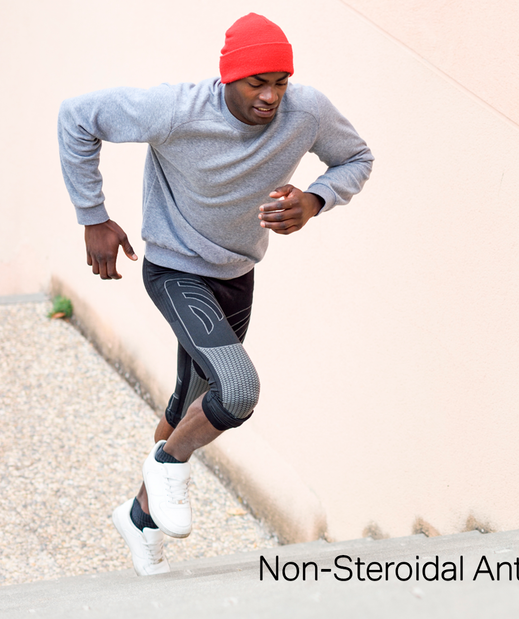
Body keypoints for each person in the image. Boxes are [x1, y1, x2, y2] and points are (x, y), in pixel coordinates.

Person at [57, 13, 373, 575]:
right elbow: (77, 118)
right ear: (228, 77)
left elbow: (356, 158)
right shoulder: (175, 109)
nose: (272, 96)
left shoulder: (308, 111)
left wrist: (315, 199)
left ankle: (139, 517)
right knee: (239, 387)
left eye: (281, 81)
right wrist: (93, 217)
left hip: (237, 274)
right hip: (176, 270)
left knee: (189, 407)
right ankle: (169, 465)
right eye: (258, 82)